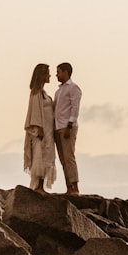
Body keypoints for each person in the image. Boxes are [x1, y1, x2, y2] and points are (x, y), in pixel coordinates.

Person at [23, 63, 56, 193]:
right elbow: (35, 112)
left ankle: (40, 185)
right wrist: (39, 128)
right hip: (41, 130)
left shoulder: (44, 94)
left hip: (49, 130)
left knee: (47, 155)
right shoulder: (36, 93)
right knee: (40, 155)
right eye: (48, 73)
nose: (50, 75)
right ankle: (39, 186)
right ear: (42, 75)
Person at [53, 62, 82, 194]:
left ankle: (75, 187)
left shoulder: (73, 88)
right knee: (63, 159)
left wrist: (69, 125)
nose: (56, 75)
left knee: (69, 157)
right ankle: (68, 187)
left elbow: (75, 107)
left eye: (58, 72)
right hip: (58, 127)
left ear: (66, 72)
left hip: (67, 127)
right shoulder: (59, 91)